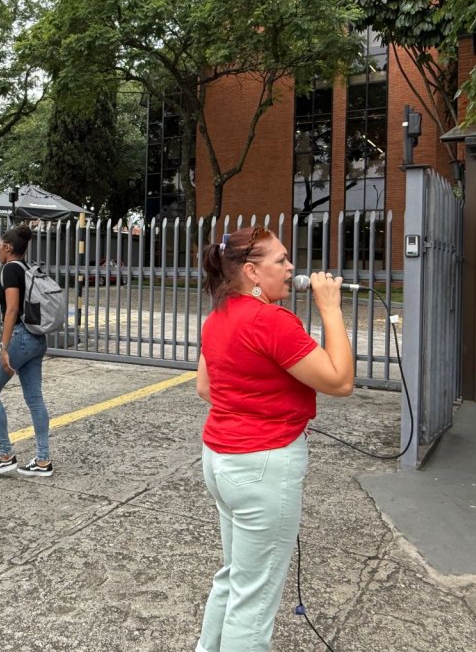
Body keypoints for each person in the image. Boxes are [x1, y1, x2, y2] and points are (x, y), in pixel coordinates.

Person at [195, 226, 354, 652]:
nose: (290, 268)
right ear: (251, 271)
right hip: (263, 465)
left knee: (234, 578)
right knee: (255, 600)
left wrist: (256, 392)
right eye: (280, 260)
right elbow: (339, 381)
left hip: (220, 459)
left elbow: (206, 389)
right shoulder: (271, 321)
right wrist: (331, 308)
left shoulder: (217, 317)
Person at [0, 224, 53, 478]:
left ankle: (5, 454)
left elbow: (11, 309)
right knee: (35, 399)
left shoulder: (10, 269)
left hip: (20, 337)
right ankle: (43, 460)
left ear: (8, 248)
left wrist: (4, 346)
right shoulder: (27, 267)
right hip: (37, 339)